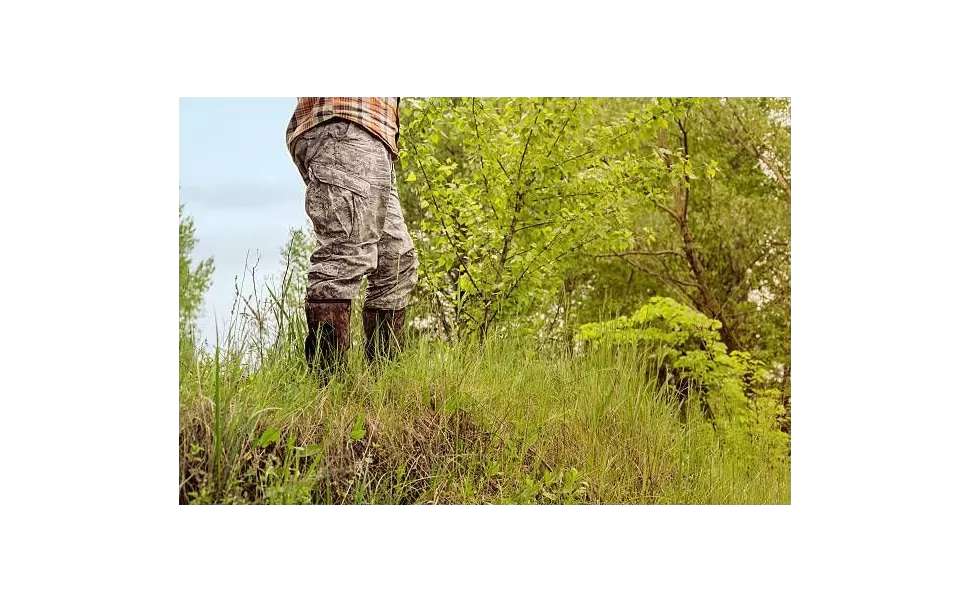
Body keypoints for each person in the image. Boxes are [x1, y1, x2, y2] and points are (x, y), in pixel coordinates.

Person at [286, 97, 418, 375]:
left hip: (378, 133)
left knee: (396, 263)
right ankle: (329, 388)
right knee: (343, 258)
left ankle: (385, 386)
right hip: (347, 122)